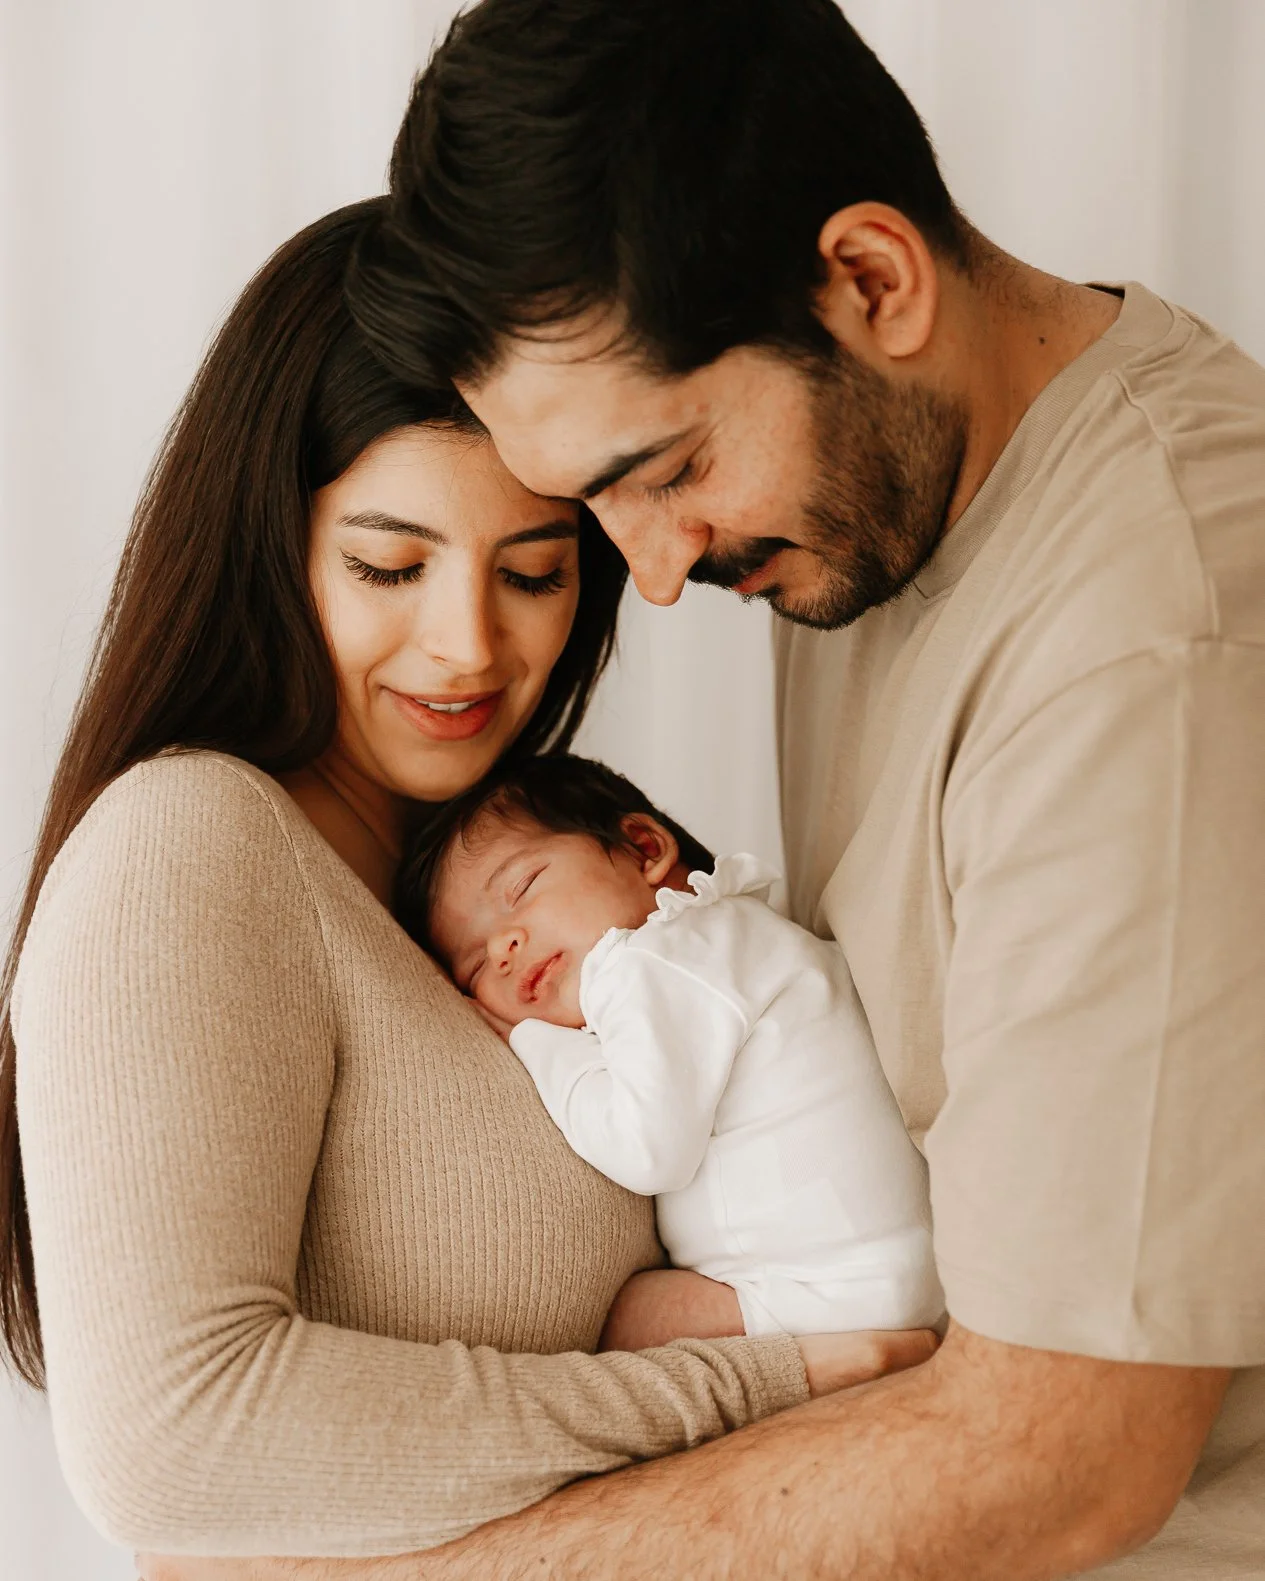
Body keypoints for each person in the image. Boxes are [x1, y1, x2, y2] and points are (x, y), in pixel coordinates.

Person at [223, 1, 1261, 1577]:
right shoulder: (884, 500)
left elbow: (1063, 1458)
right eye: (597, 502)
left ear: (870, 280)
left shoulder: (1146, 656)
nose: (645, 572)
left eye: (665, 468)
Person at [0, 198, 926, 1568]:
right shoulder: (189, 846)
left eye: (535, 573)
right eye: (388, 563)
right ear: (273, 542)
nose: (466, 649)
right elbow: (173, 1445)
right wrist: (762, 1380)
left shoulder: (485, 892)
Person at [410, 752, 944, 1344]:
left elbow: (645, 1150)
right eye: (477, 966)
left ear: (643, 848)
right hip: (891, 1278)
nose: (505, 947)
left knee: (624, 1319)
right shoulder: (727, 941)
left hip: (827, 1297)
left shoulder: (648, 960)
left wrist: (530, 1040)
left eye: (522, 887)